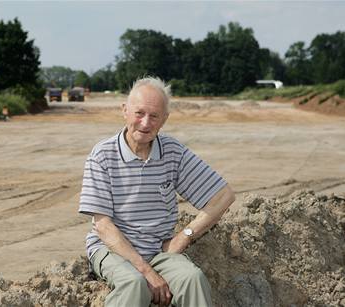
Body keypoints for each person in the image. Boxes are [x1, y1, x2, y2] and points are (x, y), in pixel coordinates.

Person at [79, 76, 235, 307]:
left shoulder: (173, 152)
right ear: (125, 111)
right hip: (112, 250)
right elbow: (103, 226)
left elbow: (224, 196)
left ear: (164, 119)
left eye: (154, 116)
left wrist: (184, 237)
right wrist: (147, 272)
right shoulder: (102, 155)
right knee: (135, 284)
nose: (145, 123)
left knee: (192, 278)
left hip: (157, 250)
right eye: (139, 113)